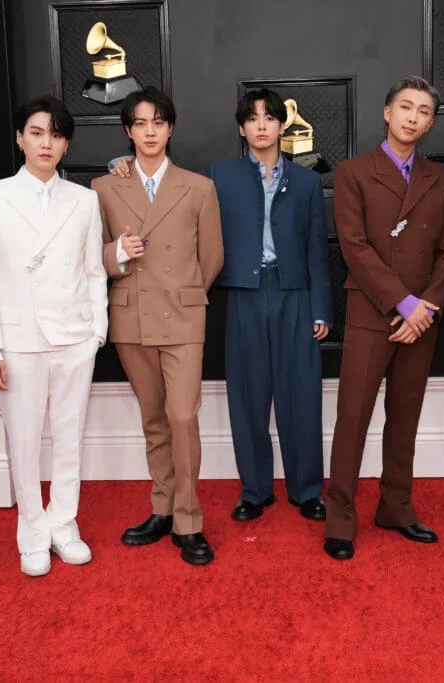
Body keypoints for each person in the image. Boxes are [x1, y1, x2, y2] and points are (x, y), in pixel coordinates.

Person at [108, 88, 333, 523]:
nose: (262, 125)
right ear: (241, 127)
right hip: (243, 295)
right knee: (246, 397)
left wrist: (321, 309)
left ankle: (307, 490)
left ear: (283, 125)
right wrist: (117, 164)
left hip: (296, 297)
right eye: (253, 118)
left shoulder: (306, 180)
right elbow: (167, 190)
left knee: (301, 396)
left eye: (271, 118)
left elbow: (317, 251)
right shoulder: (218, 176)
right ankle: (254, 491)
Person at [323, 76, 444, 560]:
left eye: (424, 111)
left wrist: (425, 310)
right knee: (352, 418)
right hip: (371, 313)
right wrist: (403, 303)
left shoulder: (440, 179)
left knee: (405, 418)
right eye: (406, 107)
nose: (413, 117)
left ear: (430, 122)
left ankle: (396, 507)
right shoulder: (353, 172)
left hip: (422, 318)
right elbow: (354, 249)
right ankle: (340, 515)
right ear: (387, 112)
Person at [0, 96, 107, 577]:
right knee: (24, 439)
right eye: (36, 132)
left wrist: (97, 331)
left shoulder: (85, 200)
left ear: (66, 142)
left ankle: (63, 523)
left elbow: (94, 270)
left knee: (71, 437)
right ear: (19, 138)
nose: (45, 142)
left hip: (74, 337)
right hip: (18, 339)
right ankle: (32, 529)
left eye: (55, 133)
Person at [92, 87, 224, 565]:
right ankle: (162, 509)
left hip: (184, 316)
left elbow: (211, 258)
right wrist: (118, 254)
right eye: (140, 124)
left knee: (182, 418)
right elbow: (92, 258)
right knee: (153, 419)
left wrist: (186, 294)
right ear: (128, 131)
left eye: (158, 122)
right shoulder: (104, 188)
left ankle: (189, 520)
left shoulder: (198, 187)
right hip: (132, 315)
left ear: (170, 128)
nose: (149, 132)